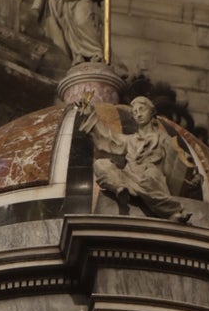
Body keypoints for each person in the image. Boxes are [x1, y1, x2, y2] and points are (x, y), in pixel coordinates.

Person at [78, 94, 193, 222]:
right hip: (128, 175)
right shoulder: (131, 140)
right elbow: (108, 138)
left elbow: (179, 163)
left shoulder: (164, 138)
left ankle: (172, 211)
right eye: (135, 112)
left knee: (148, 179)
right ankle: (120, 189)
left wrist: (191, 178)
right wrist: (90, 115)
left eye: (142, 109)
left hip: (150, 177)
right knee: (100, 165)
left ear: (152, 111)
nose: (138, 114)